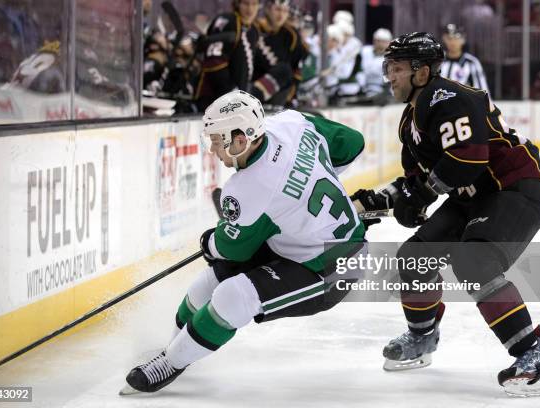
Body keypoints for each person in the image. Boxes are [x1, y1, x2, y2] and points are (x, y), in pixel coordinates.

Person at [350, 32, 540, 396]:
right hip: (474, 196)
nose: (390, 76)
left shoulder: (445, 96)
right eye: (389, 68)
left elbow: (467, 158)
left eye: (397, 68)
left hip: (514, 186)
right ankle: (422, 336)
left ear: (422, 72)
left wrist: (422, 194)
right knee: (414, 257)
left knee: (475, 261)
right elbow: (415, 182)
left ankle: (535, 355)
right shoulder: (410, 121)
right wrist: (375, 202)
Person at [121, 90, 367, 394]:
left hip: (333, 266)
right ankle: (175, 348)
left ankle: (171, 363)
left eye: (216, 139)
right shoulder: (292, 123)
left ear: (241, 139)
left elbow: (230, 249)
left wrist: (209, 242)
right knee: (209, 282)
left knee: (233, 296)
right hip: (297, 241)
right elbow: (352, 142)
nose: (212, 148)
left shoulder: (248, 187)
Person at [194, 0, 260, 111]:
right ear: (238, 4)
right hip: (212, 98)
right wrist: (231, 92)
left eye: (254, 4)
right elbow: (213, 61)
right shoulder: (226, 20)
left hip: (236, 101)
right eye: (246, 3)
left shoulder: (253, 30)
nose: (250, 9)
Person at [251, 0, 308, 106]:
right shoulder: (254, 28)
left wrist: (290, 99)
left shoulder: (292, 35)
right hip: (250, 87)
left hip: (278, 96)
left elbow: (295, 72)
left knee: (284, 71)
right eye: (277, 9)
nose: (281, 15)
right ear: (267, 9)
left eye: (285, 11)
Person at [440, 24, 490, 94]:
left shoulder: (471, 62)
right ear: (444, 39)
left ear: (463, 39)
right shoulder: (438, 60)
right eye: (449, 38)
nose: (453, 42)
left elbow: (482, 91)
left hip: (463, 103)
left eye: (456, 38)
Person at [357, 28, 393, 99]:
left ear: (389, 43)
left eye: (383, 41)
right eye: (377, 41)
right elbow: (359, 69)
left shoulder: (391, 58)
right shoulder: (365, 51)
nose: (379, 44)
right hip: (363, 91)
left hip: (381, 93)